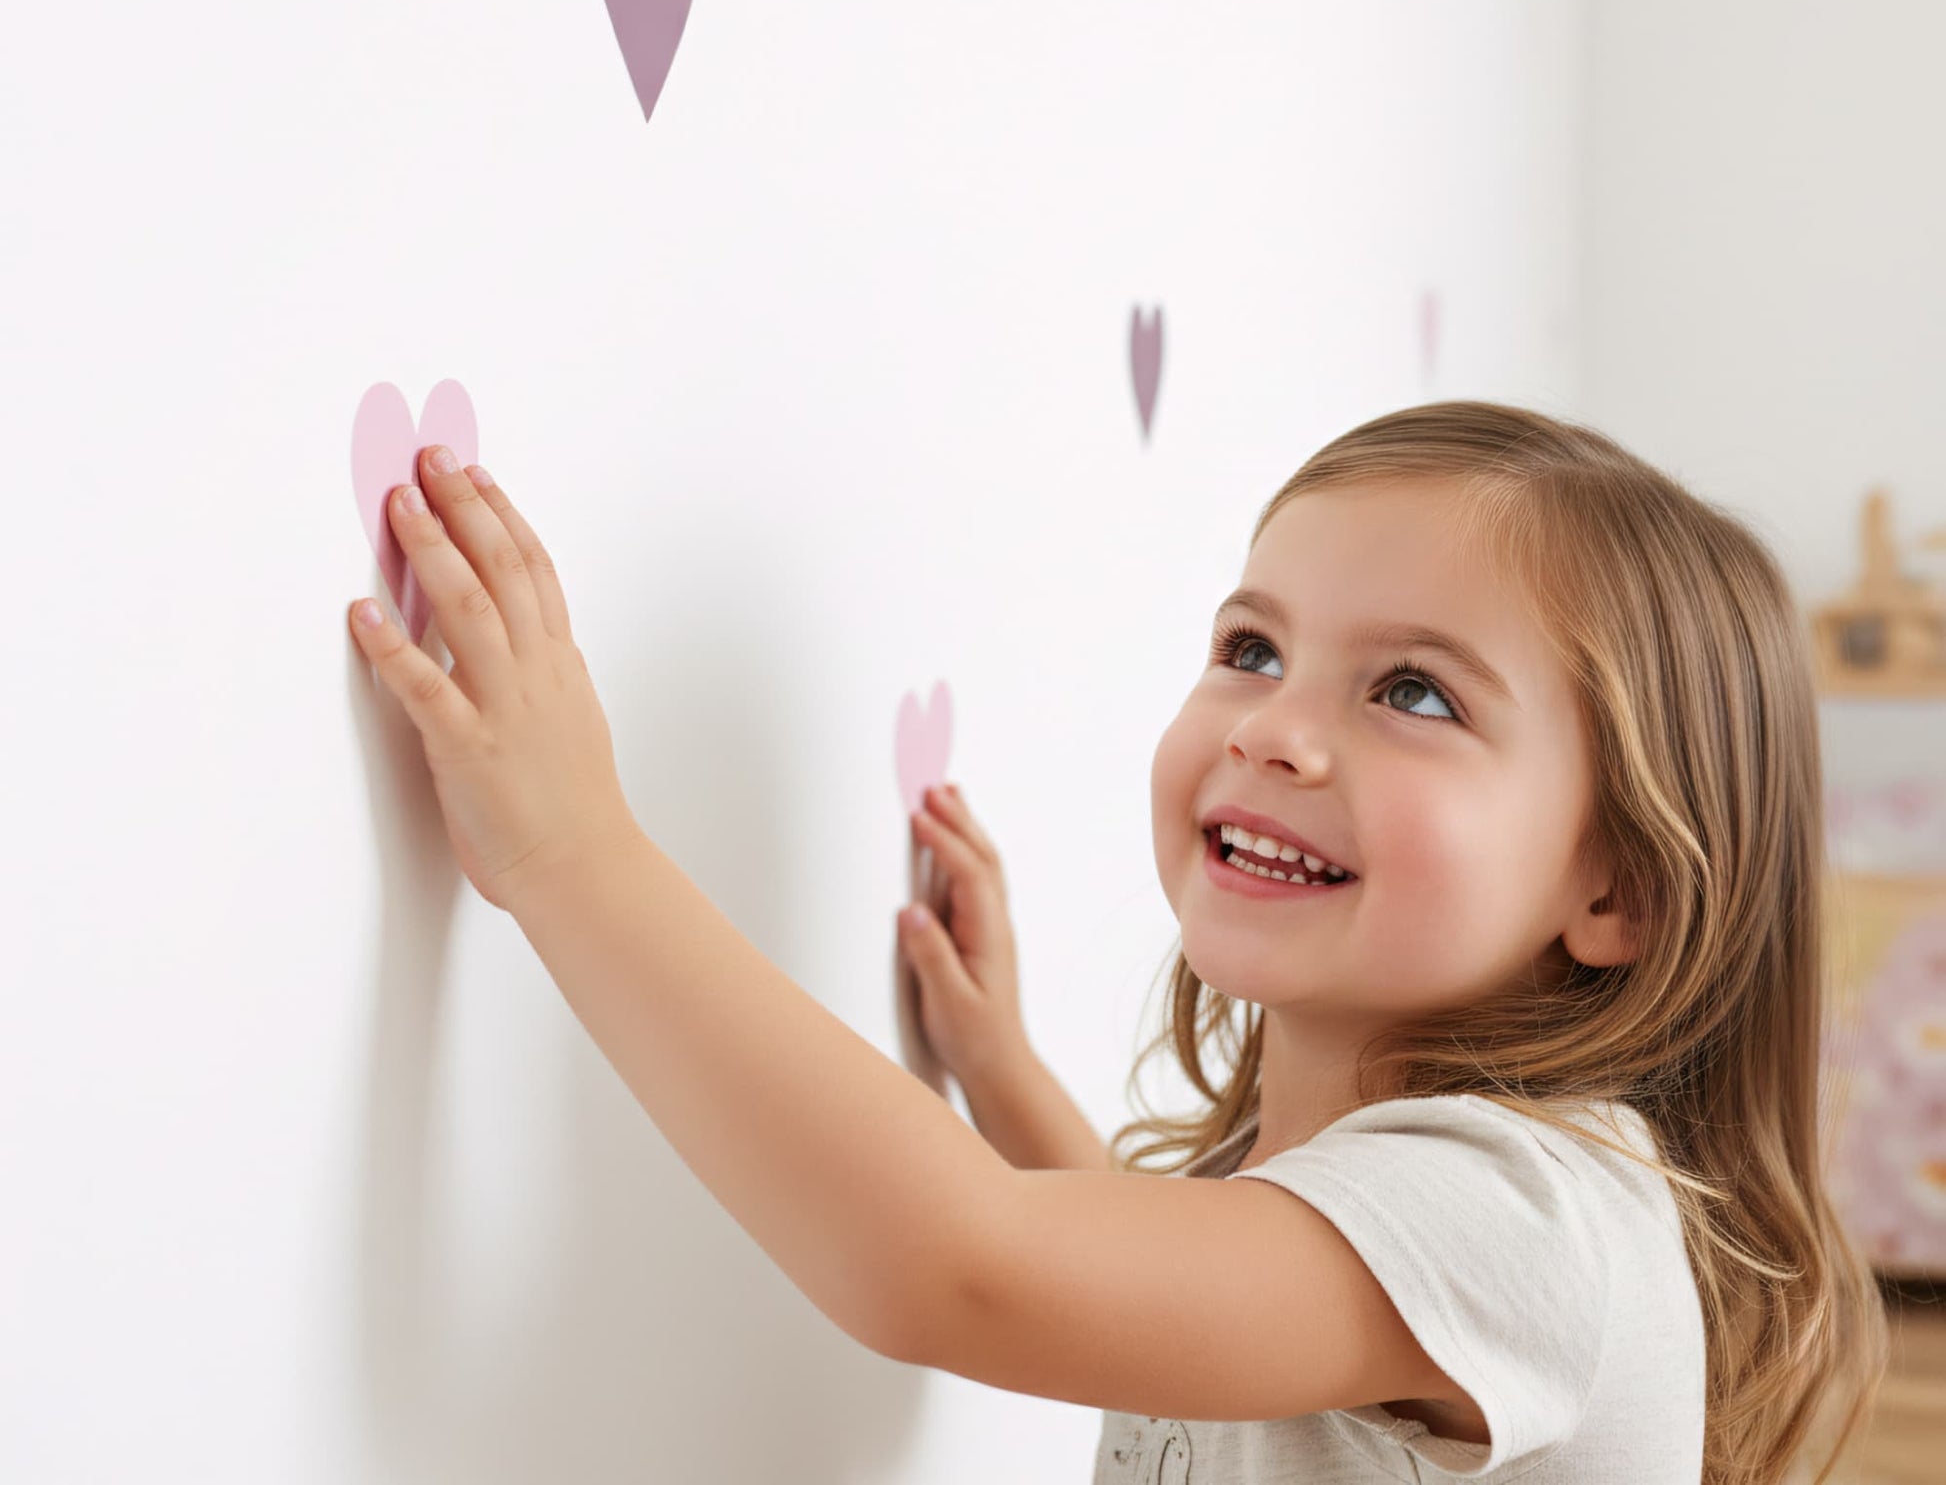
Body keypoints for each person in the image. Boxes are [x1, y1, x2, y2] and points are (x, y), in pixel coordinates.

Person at [348, 399, 1888, 1485]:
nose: (1273, 728)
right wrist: (1001, 1073)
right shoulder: (1388, 1195)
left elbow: (965, 1272)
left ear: (1618, 888)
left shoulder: (1527, 1215)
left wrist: (572, 852)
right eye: (1252, 647)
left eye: (1411, 691)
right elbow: (1171, 1291)